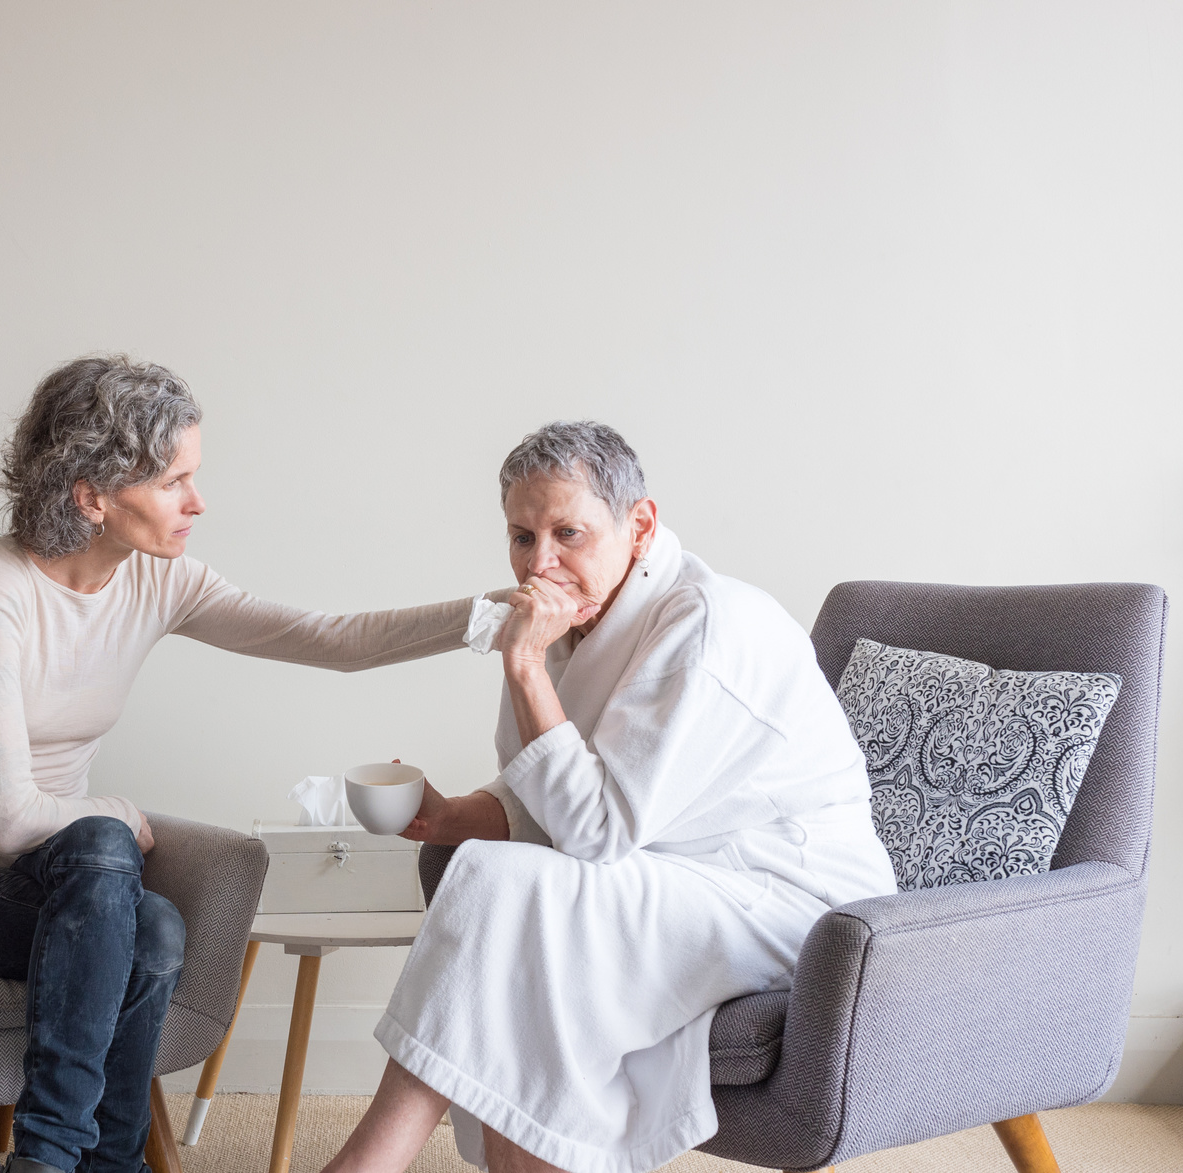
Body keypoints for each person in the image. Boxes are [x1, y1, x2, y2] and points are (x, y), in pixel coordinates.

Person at [0, 355, 504, 1173]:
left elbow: (333, 638)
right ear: (92, 496)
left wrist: (489, 617)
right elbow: (12, 815)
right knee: (103, 844)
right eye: (172, 482)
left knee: (154, 926)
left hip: (54, 882)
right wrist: (112, 814)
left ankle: (101, 1163)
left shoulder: (161, 580)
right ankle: (47, 1159)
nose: (198, 501)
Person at [322, 421, 898, 1173]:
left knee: (503, 885)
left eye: (568, 533)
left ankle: (369, 1159)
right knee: (499, 883)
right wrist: (449, 815)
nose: (541, 562)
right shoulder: (570, 619)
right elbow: (547, 789)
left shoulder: (701, 624)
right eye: (521, 537)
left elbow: (595, 830)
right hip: (664, 868)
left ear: (641, 524)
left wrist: (524, 663)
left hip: (793, 903)